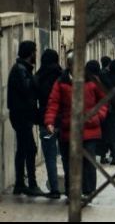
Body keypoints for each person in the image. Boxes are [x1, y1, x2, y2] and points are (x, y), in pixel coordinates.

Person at [45, 54, 109, 199]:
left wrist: (98, 116)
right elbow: (53, 103)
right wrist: (49, 121)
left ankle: (88, 191)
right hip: (68, 130)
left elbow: (104, 100)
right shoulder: (61, 82)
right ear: (69, 65)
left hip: (90, 129)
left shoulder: (93, 81)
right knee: (70, 163)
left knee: (88, 162)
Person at [7, 40, 46, 197]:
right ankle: (31, 184)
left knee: (23, 149)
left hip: (21, 115)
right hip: (21, 116)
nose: (36, 55)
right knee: (30, 149)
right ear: (30, 54)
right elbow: (27, 89)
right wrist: (37, 81)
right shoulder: (21, 70)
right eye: (35, 52)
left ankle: (19, 184)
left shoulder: (22, 69)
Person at [34, 49, 63, 199]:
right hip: (63, 121)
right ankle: (72, 189)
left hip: (46, 120)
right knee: (66, 156)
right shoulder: (62, 76)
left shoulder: (38, 76)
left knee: (50, 157)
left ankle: (55, 189)